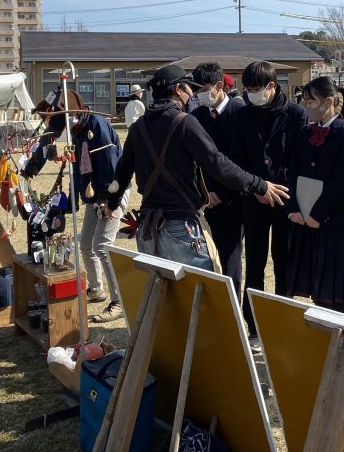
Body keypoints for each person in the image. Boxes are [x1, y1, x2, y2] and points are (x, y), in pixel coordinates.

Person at [107, 64, 288, 275]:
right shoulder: (185, 122)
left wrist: (112, 203)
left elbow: (122, 171)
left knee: (165, 302)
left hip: (148, 229)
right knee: (205, 298)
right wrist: (259, 185)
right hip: (180, 227)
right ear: (178, 90)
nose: (193, 95)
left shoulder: (138, 128)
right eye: (190, 89)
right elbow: (217, 163)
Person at [23, 90, 131, 324]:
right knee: (85, 245)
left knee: (102, 245)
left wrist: (106, 200)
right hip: (94, 194)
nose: (62, 131)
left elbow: (111, 166)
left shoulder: (96, 126)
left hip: (112, 191)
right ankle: (96, 288)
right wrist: (30, 169)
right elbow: (50, 142)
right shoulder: (76, 130)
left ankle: (119, 301)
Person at [231, 61, 306, 348]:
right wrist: (258, 188)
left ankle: (282, 320)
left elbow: (299, 159)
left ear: (272, 87)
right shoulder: (244, 115)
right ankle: (253, 325)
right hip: (254, 197)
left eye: (255, 89)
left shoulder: (296, 114)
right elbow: (236, 157)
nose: (251, 93)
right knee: (255, 263)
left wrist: (277, 187)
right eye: (247, 89)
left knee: (284, 263)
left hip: (286, 198)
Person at [285, 77, 344, 314]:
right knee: (312, 281)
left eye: (310, 101)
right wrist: (293, 209)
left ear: (328, 102)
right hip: (302, 217)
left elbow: (341, 181)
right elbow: (292, 170)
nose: (305, 106)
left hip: (329, 219)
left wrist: (318, 213)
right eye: (304, 101)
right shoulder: (304, 132)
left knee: (333, 287)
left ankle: (338, 335)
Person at [191, 62, 246, 295]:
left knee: (230, 259)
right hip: (204, 202)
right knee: (203, 260)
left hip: (233, 199)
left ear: (220, 85)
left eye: (203, 88)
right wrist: (204, 193)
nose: (199, 94)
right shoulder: (196, 117)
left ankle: (233, 317)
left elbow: (241, 161)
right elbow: (193, 160)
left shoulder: (239, 113)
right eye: (195, 90)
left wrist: (221, 193)